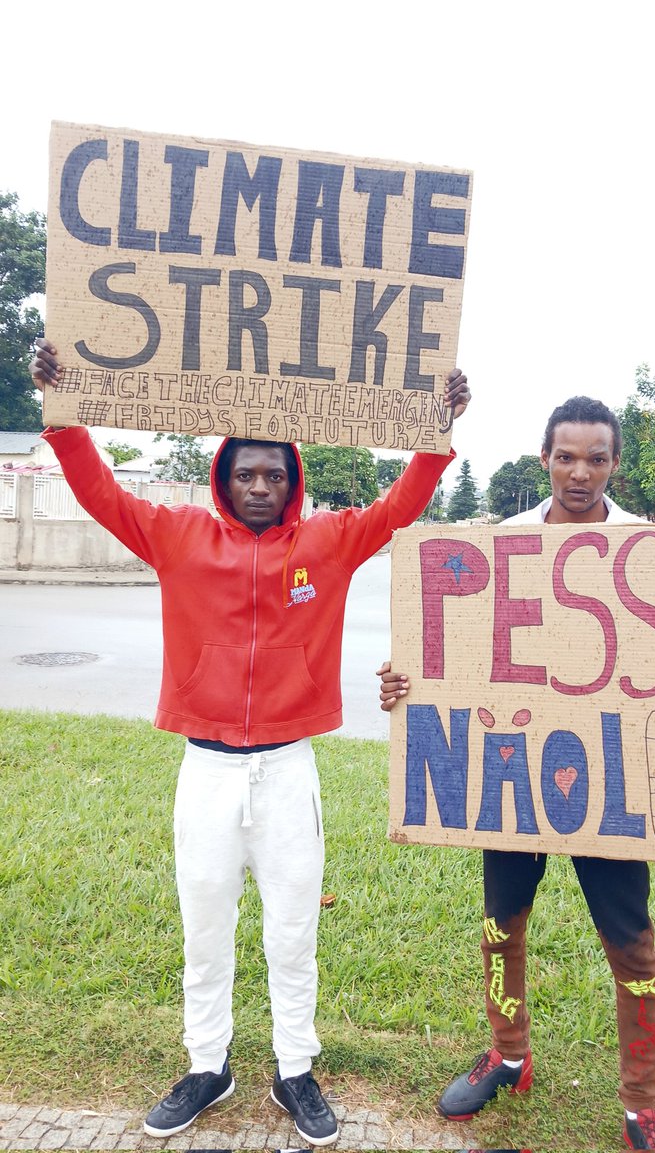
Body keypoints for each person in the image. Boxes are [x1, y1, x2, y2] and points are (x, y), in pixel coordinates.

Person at [30, 338, 470, 1148]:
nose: (261, 487)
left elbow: (398, 508)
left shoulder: (328, 544)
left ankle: (294, 1070)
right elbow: (97, 493)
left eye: (275, 474)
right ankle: (209, 1064)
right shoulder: (176, 535)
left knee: (291, 928)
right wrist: (63, 417)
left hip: (288, 768)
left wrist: (435, 432)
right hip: (205, 772)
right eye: (246, 474)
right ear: (223, 478)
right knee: (205, 925)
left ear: (293, 479)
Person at [378, 394, 655, 1151]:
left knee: (631, 943)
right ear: (544, 459)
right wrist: (405, 685)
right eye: (566, 456)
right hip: (514, 772)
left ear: (615, 464)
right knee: (501, 928)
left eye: (595, 458)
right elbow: (449, 654)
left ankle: (641, 1099)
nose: (579, 472)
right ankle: (509, 1056)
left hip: (615, 784)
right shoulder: (503, 545)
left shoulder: (648, 550)